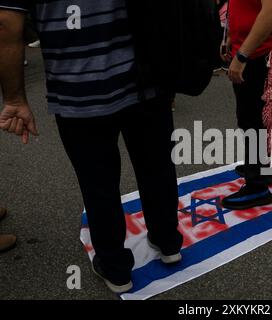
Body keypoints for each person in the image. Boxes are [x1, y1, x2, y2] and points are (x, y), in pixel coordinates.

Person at [0, 1, 183, 294]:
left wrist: (15, 99)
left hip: (77, 90)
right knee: (157, 167)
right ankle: (168, 241)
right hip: (144, 78)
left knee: (98, 183)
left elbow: (8, 24)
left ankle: (115, 268)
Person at [220, 0, 272, 210]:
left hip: (261, 51)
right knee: (251, 116)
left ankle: (257, 185)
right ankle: (260, 170)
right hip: (253, 48)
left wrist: (242, 54)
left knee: (252, 118)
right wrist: (230, 38)